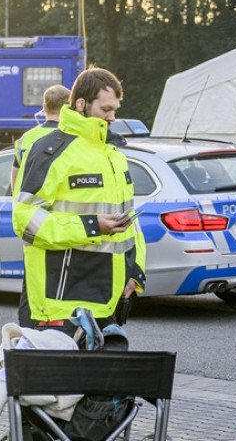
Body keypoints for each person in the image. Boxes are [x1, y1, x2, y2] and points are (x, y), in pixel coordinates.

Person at [13, 69, 143, 330]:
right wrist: (92, 226)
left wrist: (135, 273)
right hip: (63, 303)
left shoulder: (113, 154)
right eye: (105, 109)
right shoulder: (50, 150)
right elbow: (24, 220)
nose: (112, 116)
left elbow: (131, 223)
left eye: (115, 109)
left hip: (108, 299)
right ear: (81, 104)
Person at [11, 84, 71, 187]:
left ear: (44, 107)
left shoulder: (25, 138)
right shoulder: (71, 137)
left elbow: (15, 178)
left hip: (25, 202)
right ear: (68, 107)